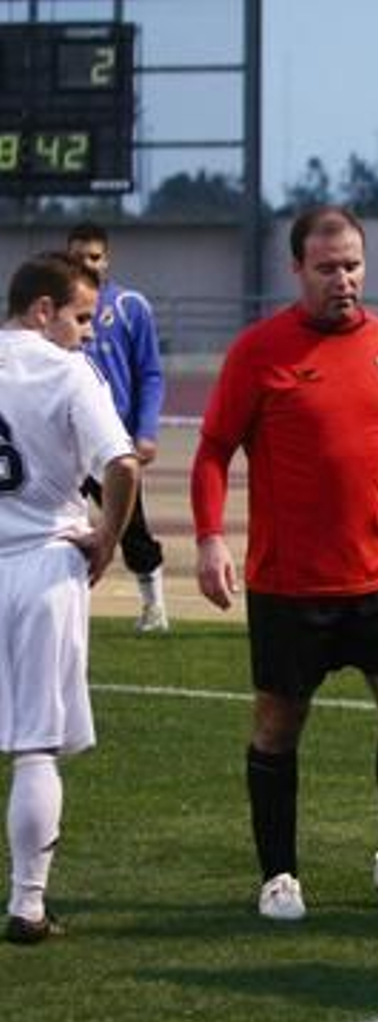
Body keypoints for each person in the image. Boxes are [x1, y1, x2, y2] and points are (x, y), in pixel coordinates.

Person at [189, 206, 378, 921]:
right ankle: (279, 875)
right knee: (279, 722)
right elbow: (214, 448)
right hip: (290, 584)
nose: (343, 279)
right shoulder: (258, 351)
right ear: (297, 270)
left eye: (353, 265)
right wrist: (209, 536)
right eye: (327, 267)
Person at [1, 253, 140, 944]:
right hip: (43, 564)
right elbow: (119, 463)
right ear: (42, 310)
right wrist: (109, 534)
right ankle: (27, 903)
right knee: (34, 747)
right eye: (81, 317)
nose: (89, 333)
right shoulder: (66, 372)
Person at [66, 222, 170, 633]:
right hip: (64, 442)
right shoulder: (52, 307)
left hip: (112, 443)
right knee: (59, 525)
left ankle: (154, 608)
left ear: (106, 259)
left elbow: (151, 374)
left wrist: (145, 430)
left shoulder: (130, 306)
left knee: (131, 528)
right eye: (77, 257)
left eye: (93, 256)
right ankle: (62, 606)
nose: (85, 264)